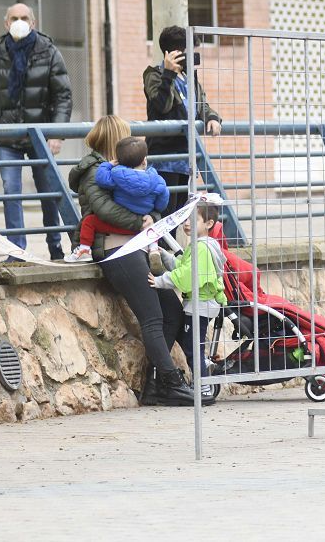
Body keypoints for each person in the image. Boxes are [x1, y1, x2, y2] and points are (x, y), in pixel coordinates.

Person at [69, 116, 193, 406]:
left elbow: (147, 201)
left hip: (135, 246)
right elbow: (102, 208)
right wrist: (141, 221)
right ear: (116, 140)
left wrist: (151, 217)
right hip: (116, 249)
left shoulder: (125, 170)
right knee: (152, 316)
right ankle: (170, 382)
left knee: (172, 311)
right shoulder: (97, 170)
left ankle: (155, 384)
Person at [0, 3, 73, 262]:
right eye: (14, 18)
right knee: (12, 190)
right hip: (7, 136)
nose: (18, 22)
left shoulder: (49, 53)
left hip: (40, 136)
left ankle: (55, 247)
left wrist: (56, 134)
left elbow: (63, 96)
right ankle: (16, 251)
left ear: (33, 22)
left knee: (48, 191)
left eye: (23, 18)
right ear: (6, 24)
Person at [148, 202, 227, 406]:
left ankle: (203, 387)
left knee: (193, 348)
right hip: (203, 303)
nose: (187, 224)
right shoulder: (203, 245)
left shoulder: (201, 248)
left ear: (209, 223)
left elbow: (186, 275)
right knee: (193, 343)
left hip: (199, 305)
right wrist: (165, 255)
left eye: (194, 220)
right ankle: (204, 378)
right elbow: (182, 266)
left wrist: (159, 281)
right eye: (185, 220)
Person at [144, 25, 222, 219]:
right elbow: (162, 105)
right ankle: (161, 249)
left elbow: (200, 104)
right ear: (174, 53)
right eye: (188, 52)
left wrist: (211, 117)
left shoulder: (189, 76)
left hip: (186, 158)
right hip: (164, 159)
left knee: (179, 214)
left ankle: (173, 249)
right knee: (164, 214)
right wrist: (169, 74)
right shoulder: (154, 74)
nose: (192, 56)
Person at [65, 136, 169, 263]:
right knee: (154, 226)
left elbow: (101, 179)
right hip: (144, 225)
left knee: (89, 221)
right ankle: (153, 249)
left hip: (118, 224)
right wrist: (151, 214)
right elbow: (162, 203)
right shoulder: (158, 180)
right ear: (144, 161)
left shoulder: (117, 176)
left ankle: (84, 250)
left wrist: (107, 165)